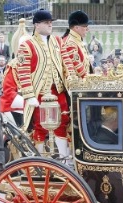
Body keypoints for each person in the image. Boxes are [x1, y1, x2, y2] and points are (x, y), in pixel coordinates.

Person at [17, 9, 74, 159]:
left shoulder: (57, 41)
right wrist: (29, 96)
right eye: (46, 22)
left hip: (58, 91)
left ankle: (64, 159)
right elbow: (23, 73)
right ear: (36, 25)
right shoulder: (27, 45)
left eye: (50, 22)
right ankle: (40, 159)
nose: (50, 25)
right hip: (39, 94)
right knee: (40, 127)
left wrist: (73, 81)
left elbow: (67, 62)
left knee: (63, 123)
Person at [62, 10, 93, 81]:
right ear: (76, 27)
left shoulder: (76, 40)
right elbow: (78, 68)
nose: (87, 29)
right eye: (85, 26)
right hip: (76, 85)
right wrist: (91, 79)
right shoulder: (70, 42)